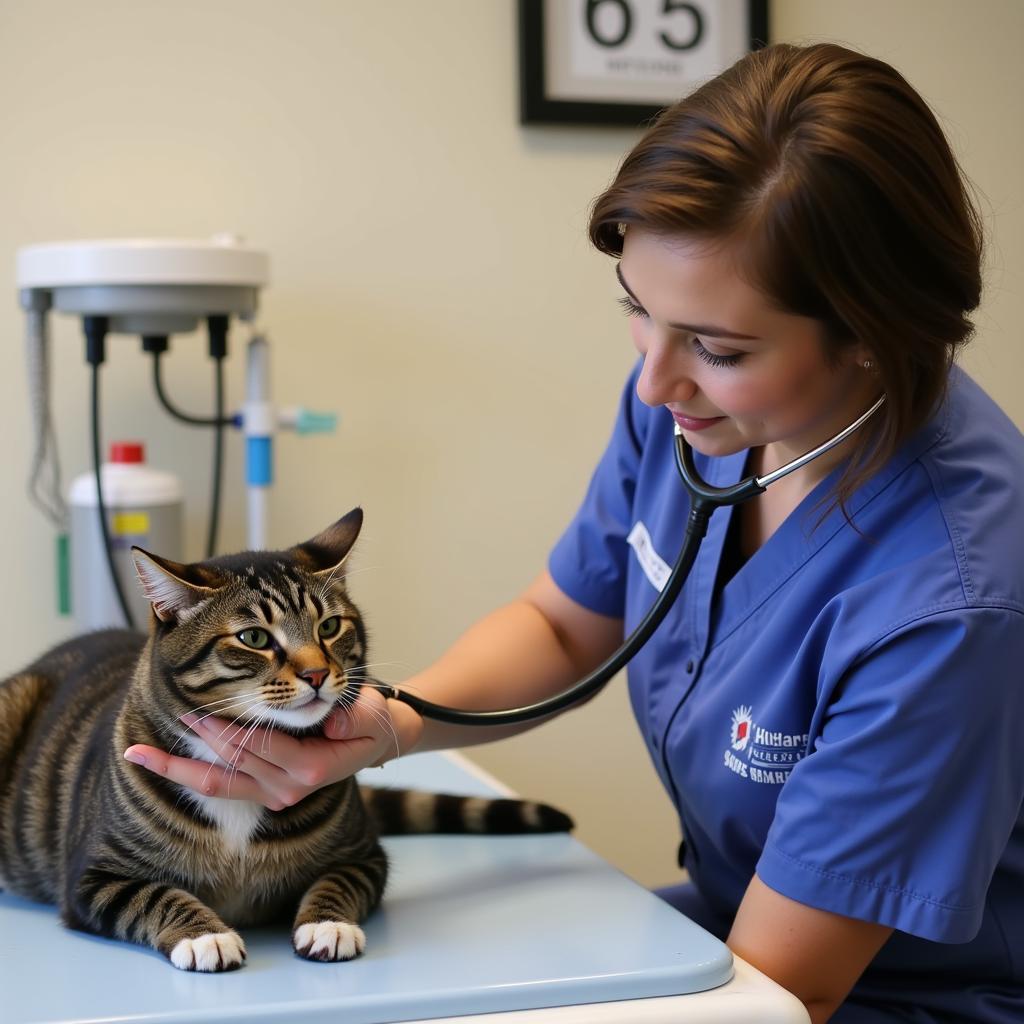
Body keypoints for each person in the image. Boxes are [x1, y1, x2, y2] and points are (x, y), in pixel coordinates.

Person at [123, 42, 1024, 1023]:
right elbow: (563, 623)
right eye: (640, 312)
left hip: (896, 998)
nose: (653, 382)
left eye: (718, 348)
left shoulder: (949, 602)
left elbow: (787, 990)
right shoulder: (700, 414)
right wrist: (390, 726)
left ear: (872, 331)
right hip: (727, 935)